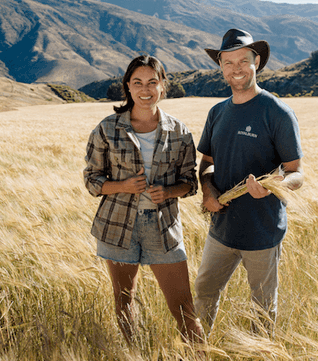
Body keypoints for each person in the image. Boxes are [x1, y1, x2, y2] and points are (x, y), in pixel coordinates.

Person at [83, 55, 204, 345]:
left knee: (184, 307)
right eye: (137, 82)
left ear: (163, 87)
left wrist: (169, 192)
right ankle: (134, 353)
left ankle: (200, 354)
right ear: (127, 86)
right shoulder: (107, 128)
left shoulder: (179, 132)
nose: (145, 89)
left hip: (163, 228)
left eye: (152, 82)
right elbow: (91, 180)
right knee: (125, 301)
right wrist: (123, 185)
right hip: (117, 226)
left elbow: (190, 182)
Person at [194, 29, 304, 336]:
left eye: (243, 60)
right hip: (222, 229)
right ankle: (195, 352)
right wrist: (208, 192)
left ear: (256, 62)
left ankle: (261, 352)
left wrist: (275, 184)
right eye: (228, 62)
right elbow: (207, 165)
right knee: (203, 291)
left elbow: (297, 173)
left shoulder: (277, 112)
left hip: (262, 231)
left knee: (262, 307)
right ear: (221, 67)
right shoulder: (217, 112)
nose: (236, 68)